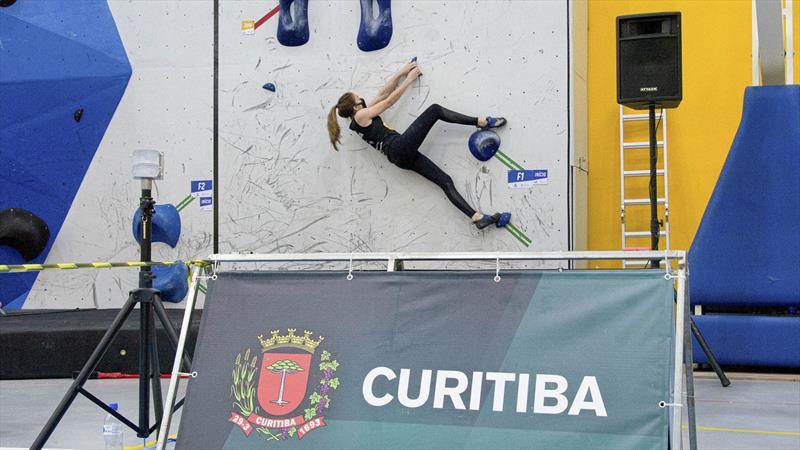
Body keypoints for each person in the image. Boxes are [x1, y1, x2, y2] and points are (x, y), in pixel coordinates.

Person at [326, 60, 509, 229]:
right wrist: (409, 80)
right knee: (435, 110)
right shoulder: (361, 116)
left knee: (445, 181)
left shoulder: (359, 117)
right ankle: (481, 121)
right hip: (399, 147)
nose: (362, 99)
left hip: (400, 157)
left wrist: (401, 73)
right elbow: (388, 102)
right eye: (359, 98)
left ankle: (476, 217)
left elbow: (383, 93)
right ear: (356, 107)